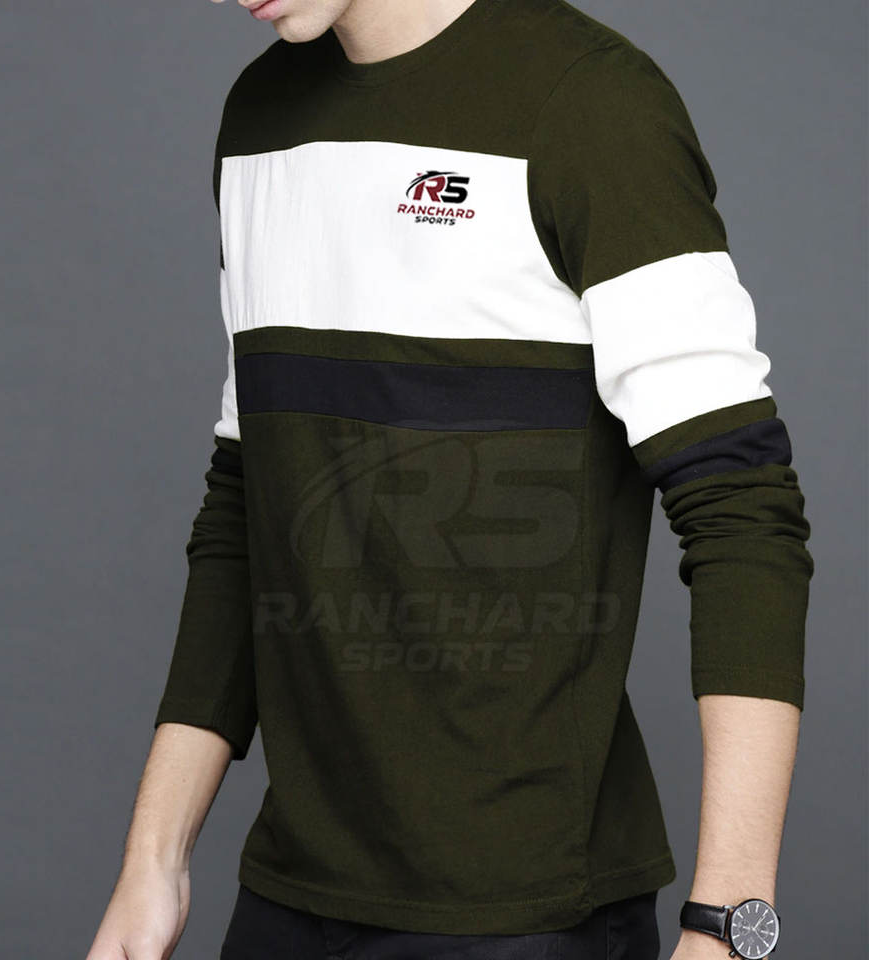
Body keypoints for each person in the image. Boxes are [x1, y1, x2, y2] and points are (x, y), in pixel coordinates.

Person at [85, 0, 815, 958]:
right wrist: (154, 860)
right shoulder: (259, 120)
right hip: (289, 899)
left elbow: (741, 511)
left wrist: (728, 924)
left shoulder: (591, 103)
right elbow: (247, 500)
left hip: (529, 918)